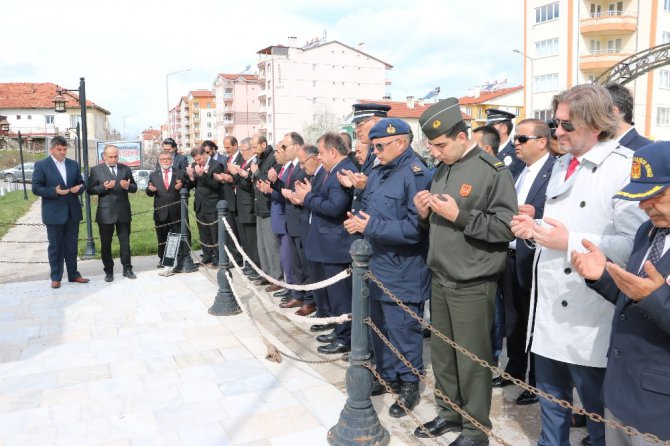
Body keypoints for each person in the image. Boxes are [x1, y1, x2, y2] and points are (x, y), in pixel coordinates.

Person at [510, 83, 646, 446]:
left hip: (589, 319)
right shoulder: (560, 165)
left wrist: (567, 240)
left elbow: (636, 245)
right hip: (550, 312)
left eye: (568, 125)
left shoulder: (623, 167)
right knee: (551, 411)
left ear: (596, 124)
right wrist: (533, 228)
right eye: (556, 123)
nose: (558, 132)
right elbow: (557, 229)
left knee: (598, 420)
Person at [413, 97, 517, 446]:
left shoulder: (492, 171)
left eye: (441, 145)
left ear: (461, 136)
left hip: (472, 281)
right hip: (441, 277)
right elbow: (440, 227)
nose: (436, 153)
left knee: (472, 359)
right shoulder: (443, 168)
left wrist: (460, 215)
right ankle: (448, 413)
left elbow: (505, 228)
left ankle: (475, 429)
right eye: (432, 147)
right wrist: (425, 215)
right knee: (443, 355)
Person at [572, 141, 670, 445]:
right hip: (621, 392)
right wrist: (602, 276)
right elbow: (634, 299)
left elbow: (650, 299)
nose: (644, 206)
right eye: (641, 197)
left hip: (660, 410)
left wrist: (655, 298)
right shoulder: (649, 231)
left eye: (655, 196)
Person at [344, 118, 433, 418]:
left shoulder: (416, 174)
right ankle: (387, 376)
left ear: (402, 143)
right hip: (377, 265)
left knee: (402, 330)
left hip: (403, 269)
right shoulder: (379, 171)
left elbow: (415, 229)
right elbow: (366, 206)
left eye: (380, 146)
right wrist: (357, 221)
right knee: (379, 328)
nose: (375, 152)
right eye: (373, 146)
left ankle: (409, 383)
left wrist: (372, 226)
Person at [492, 119, 554, 406]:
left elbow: (556, 212)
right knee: (514, 318)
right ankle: (514, 370)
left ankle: (536, 383)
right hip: (512, 254)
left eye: (523, 139)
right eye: (516, 138)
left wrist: (536, 210)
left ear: (542, 141)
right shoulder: (518, 170)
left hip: (536, 257)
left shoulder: (555, 171)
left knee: (535, 322)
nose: (516, 143)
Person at [294, 132, 356, 354]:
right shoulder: (333, 171)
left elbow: (335, 207)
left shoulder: (344, 170)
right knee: (333, 294)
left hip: (336, 245)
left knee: (341, 296)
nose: (318, 157)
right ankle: (339, 330)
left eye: (320, 152)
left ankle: (345, 336)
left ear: (333, 151)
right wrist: (310, 195)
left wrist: (308, 197)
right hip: (326, 243)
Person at [32, 136, 89, 288]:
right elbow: (36, 188)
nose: (63, 152)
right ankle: (56, 277)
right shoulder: (41, 165)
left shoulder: (73, 164)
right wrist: (54, 191)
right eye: (59, 149)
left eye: (64, 149)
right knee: (55, 246)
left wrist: (79, 188)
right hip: (54, 213)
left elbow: (82, 183)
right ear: (51, 149)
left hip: (72, 211)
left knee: (72, 246)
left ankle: (73, 274)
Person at [88, 144, 138, 282]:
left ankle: (127, 268)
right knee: (106, 243)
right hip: (105, 213)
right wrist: (103, 187)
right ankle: (108, 271)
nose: (114, 159)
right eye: (111, 156)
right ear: (104, 156)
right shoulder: (96, 170)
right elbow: (90, 189)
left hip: (123, 212)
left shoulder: (125, 168)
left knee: (125, 242)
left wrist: (128, 186)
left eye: (116, 156)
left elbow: (134, 187)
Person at [338, 103, 390, 213]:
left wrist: (367, 184)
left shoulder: (393, 155)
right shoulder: (372, 151)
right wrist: (354, 185)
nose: (357, 130)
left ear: (376, 121)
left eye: (360, 124)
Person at [250, 134, 283, 288]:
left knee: (272, 245)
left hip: (269, 207)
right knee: (261, 245)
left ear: (263, 145)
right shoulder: (260, 158)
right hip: (259, 206)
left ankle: (276, 277)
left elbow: (269, 181)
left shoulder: (273, 159)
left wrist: (256, 173)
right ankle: (266, 274)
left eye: (255, 147)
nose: (253, 151)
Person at [229, 138, 262, 281]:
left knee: (251, 240)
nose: (241, 153)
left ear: (251, 149)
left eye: (244, 150)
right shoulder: (245, 162)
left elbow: (248, 185)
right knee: (245, 239)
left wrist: (236, 174)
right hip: (240, 206)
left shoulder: (254, 162)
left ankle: (256, 266)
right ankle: (249, 264)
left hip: (248, 206)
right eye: (241, 150)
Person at [186, 146, 224, 267]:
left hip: (212, 204)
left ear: (205, 154)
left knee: (215, 233)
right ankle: (207, 256)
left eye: (199, 159)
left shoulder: (217, 165)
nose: (197, 162)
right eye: (195, 160)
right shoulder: (194, 165)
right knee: (203, 233)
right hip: (199, 205)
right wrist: (191, 177)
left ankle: (217, 258)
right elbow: (192, 185)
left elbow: (216, 185)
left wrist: (202, 175)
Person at [146, 151, 185, 268]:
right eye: (163, 159)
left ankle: (174, 260)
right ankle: (162, 259)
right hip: (160, 212)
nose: (165, 161)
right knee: (162, 237)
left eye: (168, 159)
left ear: (172, 160)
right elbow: (149, 192)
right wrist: (150, 190)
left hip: (176, 211)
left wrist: (181, 186)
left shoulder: (180, 173)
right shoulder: (153, 175)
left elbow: (187, 185)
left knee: (176, 237)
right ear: (159, 161)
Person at [213, 136, 244, 268]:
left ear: (236, 145)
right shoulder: (226, 160)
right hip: (227, 199)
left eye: (229, 147)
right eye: (225, 147)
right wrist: (221, 178)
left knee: (240, 232)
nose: (226, 150)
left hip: (238, 200)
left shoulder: (242, 159)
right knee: (231, 231)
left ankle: (242, 258)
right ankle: (235, 258)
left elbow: (239, 177)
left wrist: (230, 178)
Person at [605, 82, 651, 151]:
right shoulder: (599, 144)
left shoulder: (647, 150)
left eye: (598, 110)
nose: (594, 116)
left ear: (614, 112)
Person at [486, 108, 524, 177]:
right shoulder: (486, 152)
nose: (487, 131)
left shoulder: (516, 154)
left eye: (491, 126)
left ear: (504, 129)